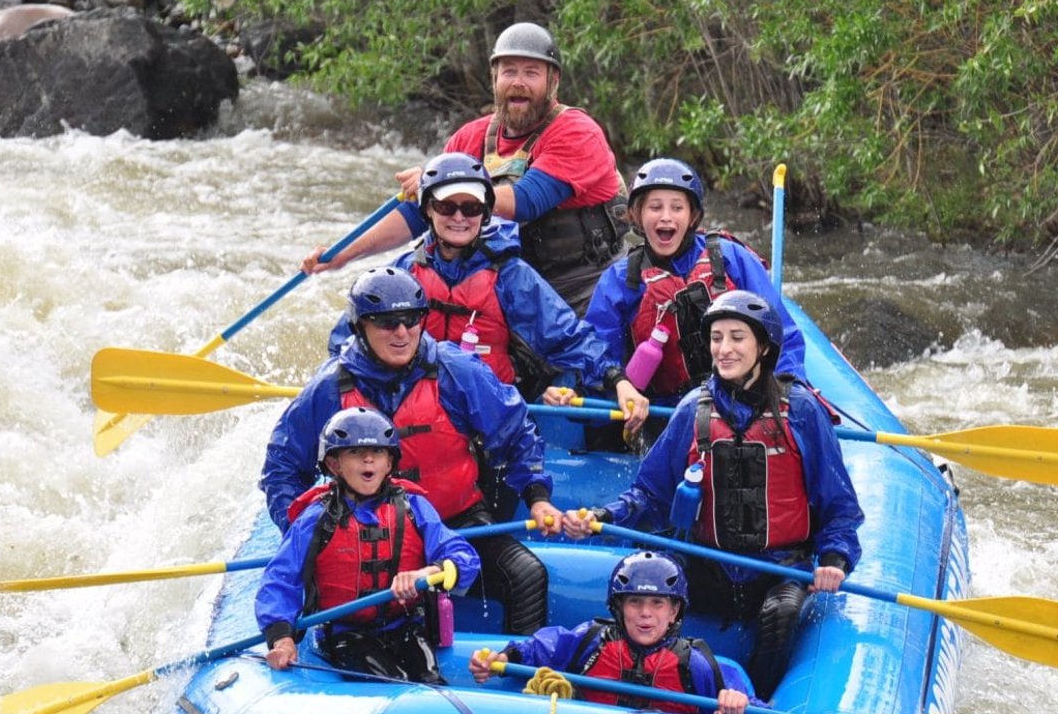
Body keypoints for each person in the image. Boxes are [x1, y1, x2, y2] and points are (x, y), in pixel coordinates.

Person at [562, 290, 863, 700]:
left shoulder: (802, 412)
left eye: (737, 337)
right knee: (648, 589)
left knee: (782, 613)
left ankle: (753, 704)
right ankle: (654, 689)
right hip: (709, 565)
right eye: (717, 338)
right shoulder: (693, 409)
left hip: (777, 568)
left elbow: (840, 507)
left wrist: (833, 558)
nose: (724, 349)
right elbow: (649, 494)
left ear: (764, 347)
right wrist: (603, 516)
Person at [261, 266, 565, 635]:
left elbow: (516, 432)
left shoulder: (456, 370)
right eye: (387, 322)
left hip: (458, 525)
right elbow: (282, 467)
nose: (402, 332)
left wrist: (536, 496)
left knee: (527, 576)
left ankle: (524, 677)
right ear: (361, 327)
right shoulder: (328, 389)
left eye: (411, 319)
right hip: (363, 530)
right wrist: (306, 537)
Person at [302, 22, 627, 315]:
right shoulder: (469, 138)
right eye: (509, 71)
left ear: (552, 82)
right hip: (507, 285)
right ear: (495, 79)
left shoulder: (577, 132)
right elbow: (419, 215)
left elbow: (527, 202)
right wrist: (343, 254)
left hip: (584, 287)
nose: (519, 83)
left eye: (531, 73)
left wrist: (441, 181)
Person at [326, 151, 649, 430]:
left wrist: (618, 381)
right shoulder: (403, 273)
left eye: (471, 208)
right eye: (446, 206)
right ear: (427, 210)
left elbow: (568, 338)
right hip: (409, 415)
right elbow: (347, 343)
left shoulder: (510, 276)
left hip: (486, 416)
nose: (458, 217)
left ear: (485, 213)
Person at [578, 158, 807, 444]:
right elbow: (596, 351)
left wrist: (788, 389)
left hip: (744, 402)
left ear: (692, 215)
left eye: (677, 207)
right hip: (668, 414)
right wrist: (618, 385)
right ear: (636, 215)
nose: (666, 217)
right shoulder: (622, 280)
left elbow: (782, 334)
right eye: (655, 207)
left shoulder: (729, 257)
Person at [256, 407, 482, 682]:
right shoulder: (316, 518)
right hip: (345, 633)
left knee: (430, 680)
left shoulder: (414, 507)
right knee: (393, 680)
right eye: (353, 452)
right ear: (334, 464)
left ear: (389, 463)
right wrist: (282, 639)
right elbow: (280, 580)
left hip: (406, 626)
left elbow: (463, 555)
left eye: (377, 452)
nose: (367, 459)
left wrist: (428, 573)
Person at [469, 551, 757, 714]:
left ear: (674, 612)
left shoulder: (696, 665)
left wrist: (738, 706)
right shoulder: (591, 639)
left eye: (657, 604)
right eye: (635, 602)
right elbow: (538, 650)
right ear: (618, 608)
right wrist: (503, 658)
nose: (646, 613)